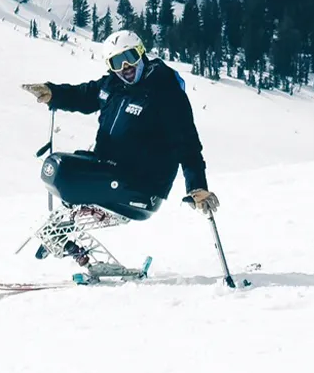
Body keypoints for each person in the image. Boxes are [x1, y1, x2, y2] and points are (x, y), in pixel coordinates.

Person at [19, 30, 216, 271]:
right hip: (112, 171)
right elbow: (83, 95)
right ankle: (68, 242)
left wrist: (197, 186)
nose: (125, 67)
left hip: (142, 185)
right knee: (58, 168)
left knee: (64, 171)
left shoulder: (164, 93)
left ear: (141, 53)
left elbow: (187, 143)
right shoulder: (112, 85)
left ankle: (66, 239)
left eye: (130, 57)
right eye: (116, 62)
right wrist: (54, 94)